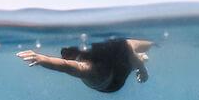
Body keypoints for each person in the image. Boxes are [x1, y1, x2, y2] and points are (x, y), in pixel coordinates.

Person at [16, 37, 153, 93]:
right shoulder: (91, 68)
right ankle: (139, 60)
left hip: (111, 75)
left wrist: (42, 59)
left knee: (127, 50)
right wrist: (42, 59)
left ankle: (139, 60)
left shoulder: (118, 48)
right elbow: (65, 65)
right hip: (109, 83)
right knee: (127, 53)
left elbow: (65, 65)